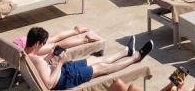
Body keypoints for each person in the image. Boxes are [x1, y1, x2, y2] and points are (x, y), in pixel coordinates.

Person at [22, 26, 151, 90]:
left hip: (64, 70)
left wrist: (50, 55)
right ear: (38, 43)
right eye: (43, 44)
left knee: (95, 60)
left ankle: (126, 51)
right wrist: (60, 62)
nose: (44, 46)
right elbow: (49, 84)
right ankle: (136, 57)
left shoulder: (24, 55)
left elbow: (41, 67)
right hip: (66, 78)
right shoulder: (36, 59)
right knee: (102, 67)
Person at [0, 27, 98, 73]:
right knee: (53, 39)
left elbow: (2, 65)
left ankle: (85, 40)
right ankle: (77, 30)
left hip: (25, 48)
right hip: (18, 42)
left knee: (55, 46)